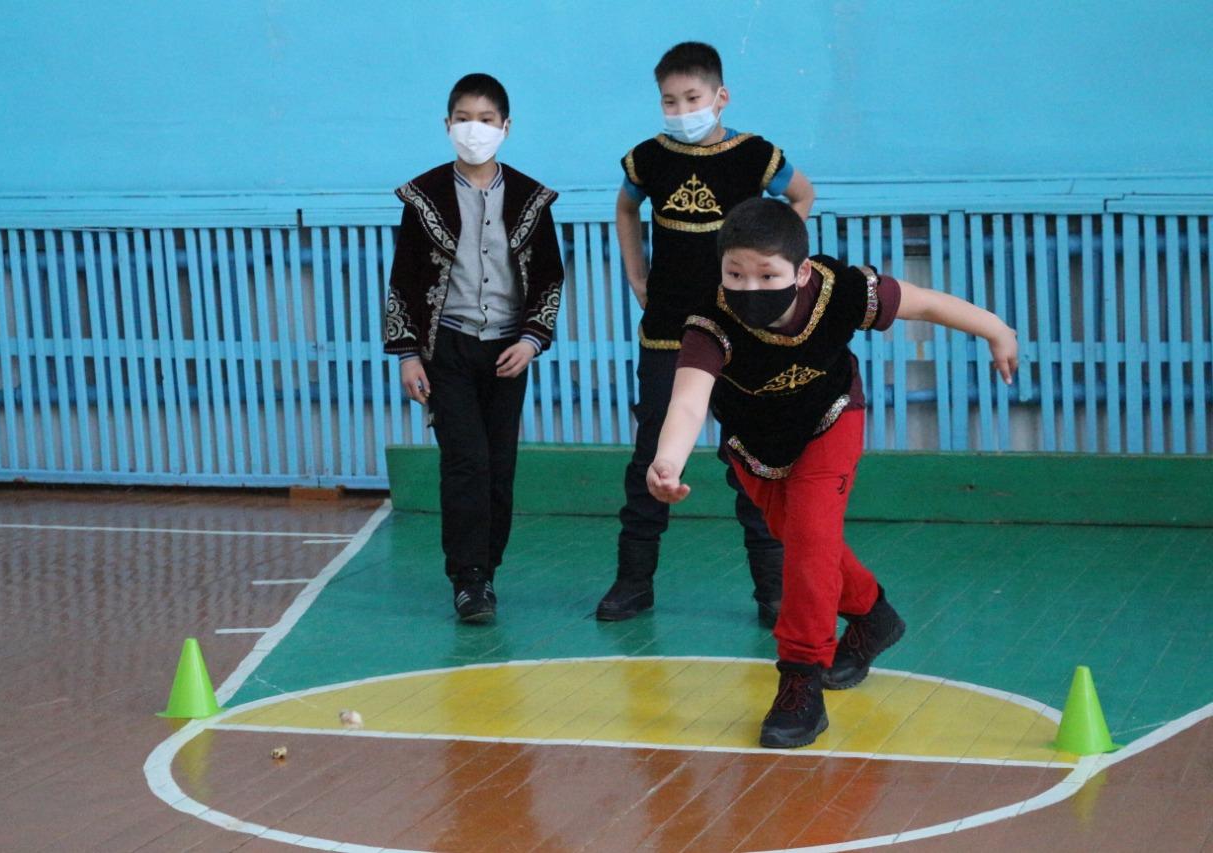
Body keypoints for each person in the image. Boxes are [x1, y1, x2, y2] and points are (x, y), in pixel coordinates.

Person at [647, 197, 1018, 748]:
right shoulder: (710, 321)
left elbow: (924, 303)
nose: (749, 287)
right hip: (755, 444)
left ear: (799, 273)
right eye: (735, 274)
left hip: (831, 420)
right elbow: (686, 403)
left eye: (767, 275)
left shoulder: (842, 290)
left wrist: (997, 329)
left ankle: (801, 679)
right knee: (801, 538)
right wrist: (667, 461)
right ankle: (873, 615)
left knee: (810, 542)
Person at [597, 41, 817, 627]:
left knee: (753, 458)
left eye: (692, 98)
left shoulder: (757, 156)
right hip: (668, 331)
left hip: (744, 332)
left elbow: (802, 195)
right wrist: (636, 273)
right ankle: (633, 582)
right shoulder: (648, 158)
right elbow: (624, 209)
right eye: (669, 101)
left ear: (721, 97)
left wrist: (771, 263)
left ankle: (773, 590)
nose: (681, 110)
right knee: (652, 454)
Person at [383, 73, 565, 623]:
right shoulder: (423, 198)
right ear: (447, 125)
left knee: (499, 466)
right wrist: (408, 354)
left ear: (506, 127)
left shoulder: (532, 198)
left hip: (509, 353)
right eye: (464, 119)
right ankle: (468, 580)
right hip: (448, 350)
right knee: (466, 462)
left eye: (486, 120)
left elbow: (549, 278)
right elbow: (404, 281)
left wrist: (532, 341)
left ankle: (488, 570)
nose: (474, 129)